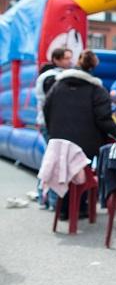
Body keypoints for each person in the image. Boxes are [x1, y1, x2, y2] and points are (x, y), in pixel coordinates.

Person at [44, 50, 116, 219]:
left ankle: (64, 210)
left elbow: (46, 108)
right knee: (82, 174)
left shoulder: (57, 85)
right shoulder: (97, 89)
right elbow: (104, 119)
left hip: (59, 140)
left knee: (63, 173)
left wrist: (54, 130)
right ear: (94, 66)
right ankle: (80, 207)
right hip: (86, 142)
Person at [34, 47, 73, 209]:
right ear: (56, 59)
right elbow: (56, 104)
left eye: (70, 58)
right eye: (66, 58)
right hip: (51, 124)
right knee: (54, 161)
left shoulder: (52, 76)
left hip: (49, 123)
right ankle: (51, 201)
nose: (69, 61)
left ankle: (43, 196)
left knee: (50, 160)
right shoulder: (52, 78)